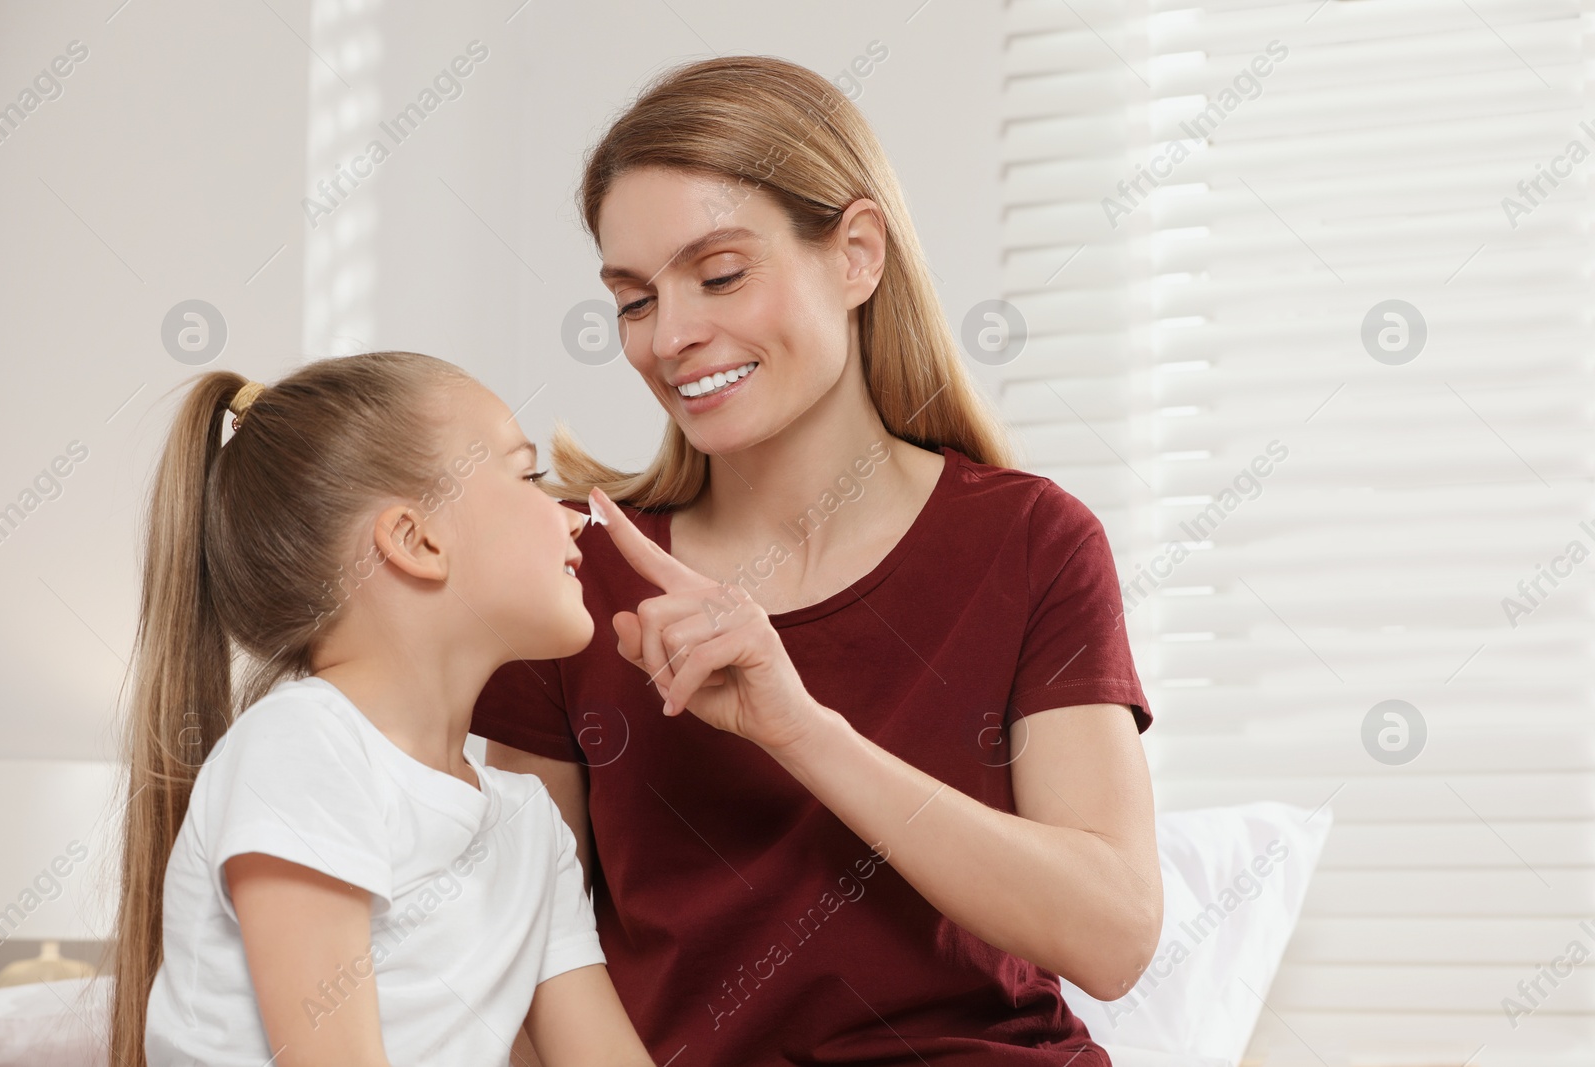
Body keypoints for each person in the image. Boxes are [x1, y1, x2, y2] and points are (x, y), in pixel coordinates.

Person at [472, 56, 1162, 1065]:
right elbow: (522, 969)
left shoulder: (1029, 541)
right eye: (631, 298)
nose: (670, 336)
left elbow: (1112, 933)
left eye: (719, 274)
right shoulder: (571, 566)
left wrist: (800, 730)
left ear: (855, 255)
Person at [107, 353, 655, 1067]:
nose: (573, 518)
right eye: (527, 476)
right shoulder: (301, 749)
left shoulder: (528, 826)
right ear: (414, 539)